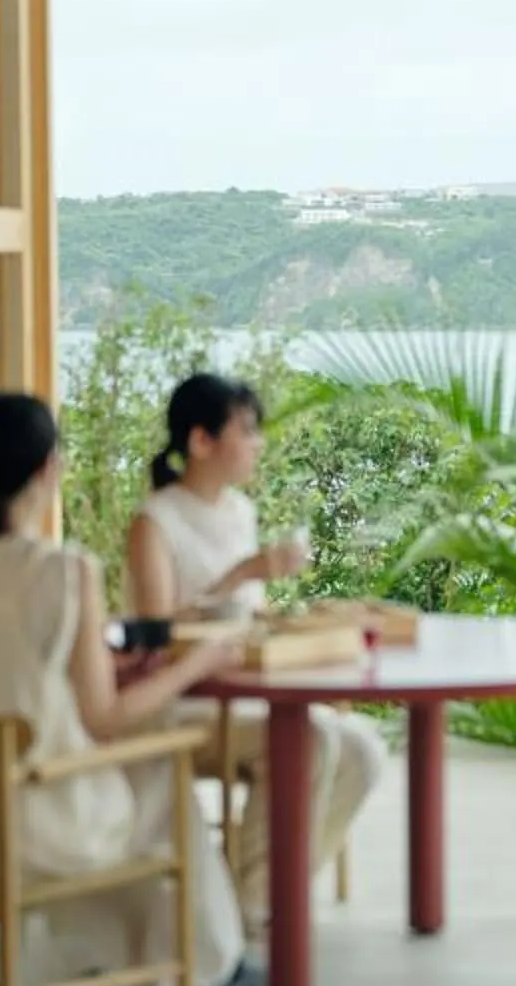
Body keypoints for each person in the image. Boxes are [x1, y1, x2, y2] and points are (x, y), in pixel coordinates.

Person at [0, 392, 247, 986]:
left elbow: (12, 674)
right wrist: (192, 667)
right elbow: (105, 720)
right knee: (157, 769)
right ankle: (185, 975)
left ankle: (146, 966)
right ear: (49, 469)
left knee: (138, 779)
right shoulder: (63, 571)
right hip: (37, 825)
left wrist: (105, 666)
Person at [124, 373, 385, 935]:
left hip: (247, 691)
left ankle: (246, 895)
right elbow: (155, 633)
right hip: (188, 698)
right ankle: (256, 909)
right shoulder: (155, 522)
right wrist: (243, 573)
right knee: (309, 741)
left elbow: (246, 617)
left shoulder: (238, 512)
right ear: (201, 442)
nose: (258, 443)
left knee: (364, 747)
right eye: (247, 431)